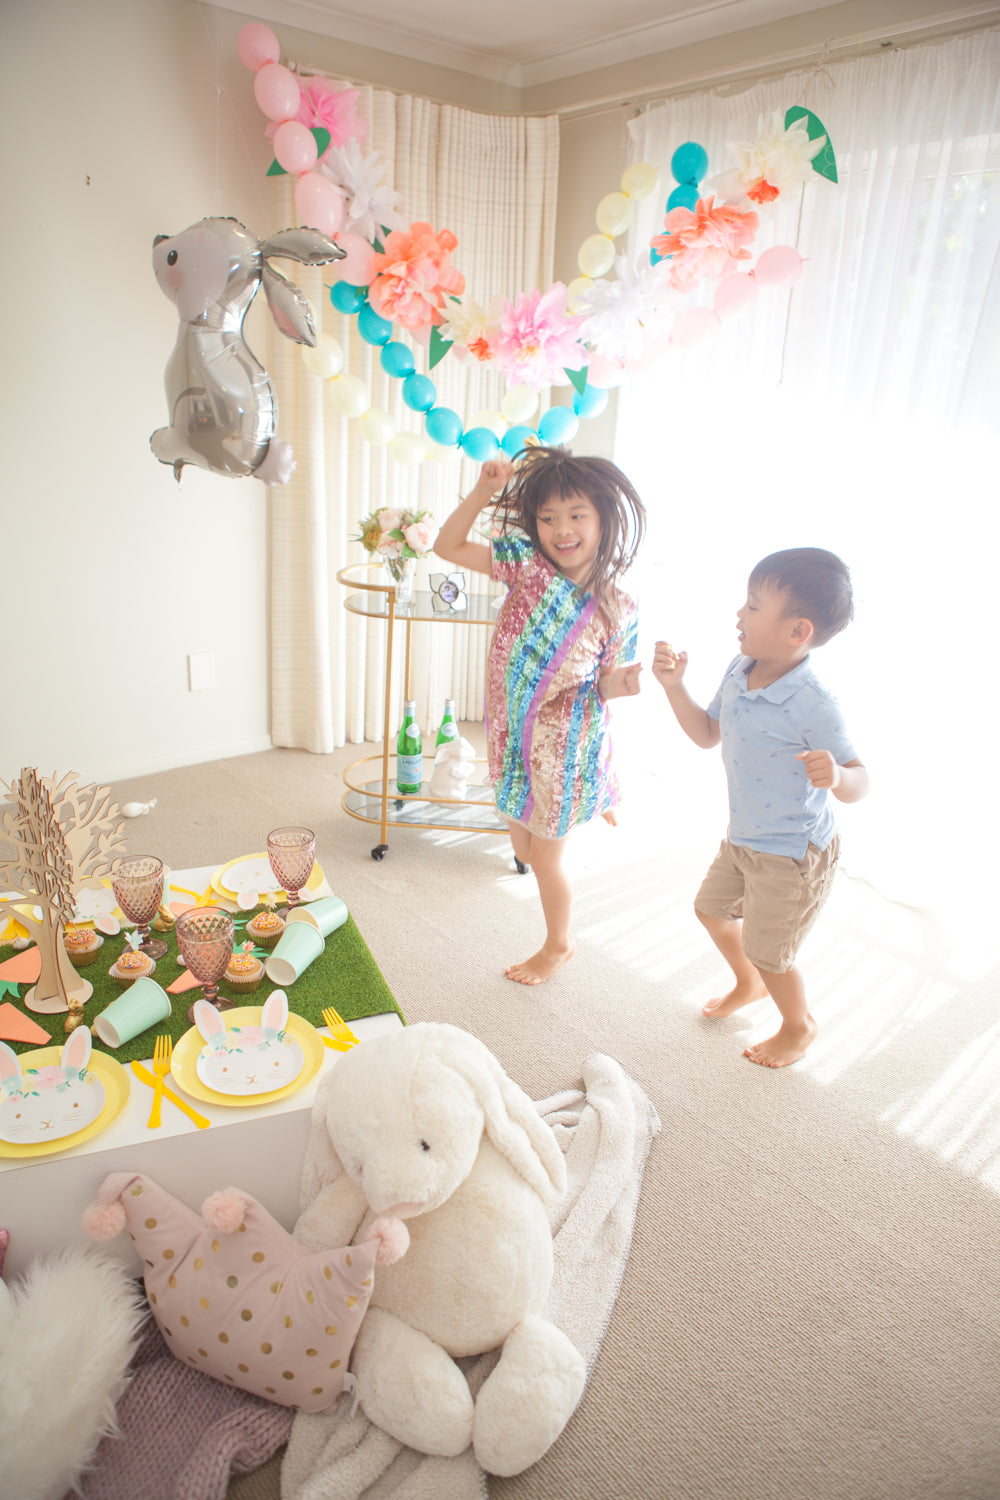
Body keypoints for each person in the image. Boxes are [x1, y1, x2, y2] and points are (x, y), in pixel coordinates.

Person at [434, 445, 646, 985]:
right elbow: (447, 545)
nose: (562, 529)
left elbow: (607, 680)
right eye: (548, 518)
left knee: (545, 862)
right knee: (523, 847)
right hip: (511, 735)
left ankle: (558, 944)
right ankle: (597, 800)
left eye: (577, 515)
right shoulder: (528, 566)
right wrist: (483, 490)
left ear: (604, 518)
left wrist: (625, 683)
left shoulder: (618, 604)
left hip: (566, 748)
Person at [652, 547, 869, 1068]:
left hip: (791, 854)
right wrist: (674, 687)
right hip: (744, 836)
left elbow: (860, 779)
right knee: (709, 910)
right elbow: (707, 733)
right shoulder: (740, 668)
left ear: (797, 631)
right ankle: (748, 983)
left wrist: (839, 776)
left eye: (752, 606)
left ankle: (799, 1025)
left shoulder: (815, 703)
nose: (739, 614)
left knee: (771, 953)